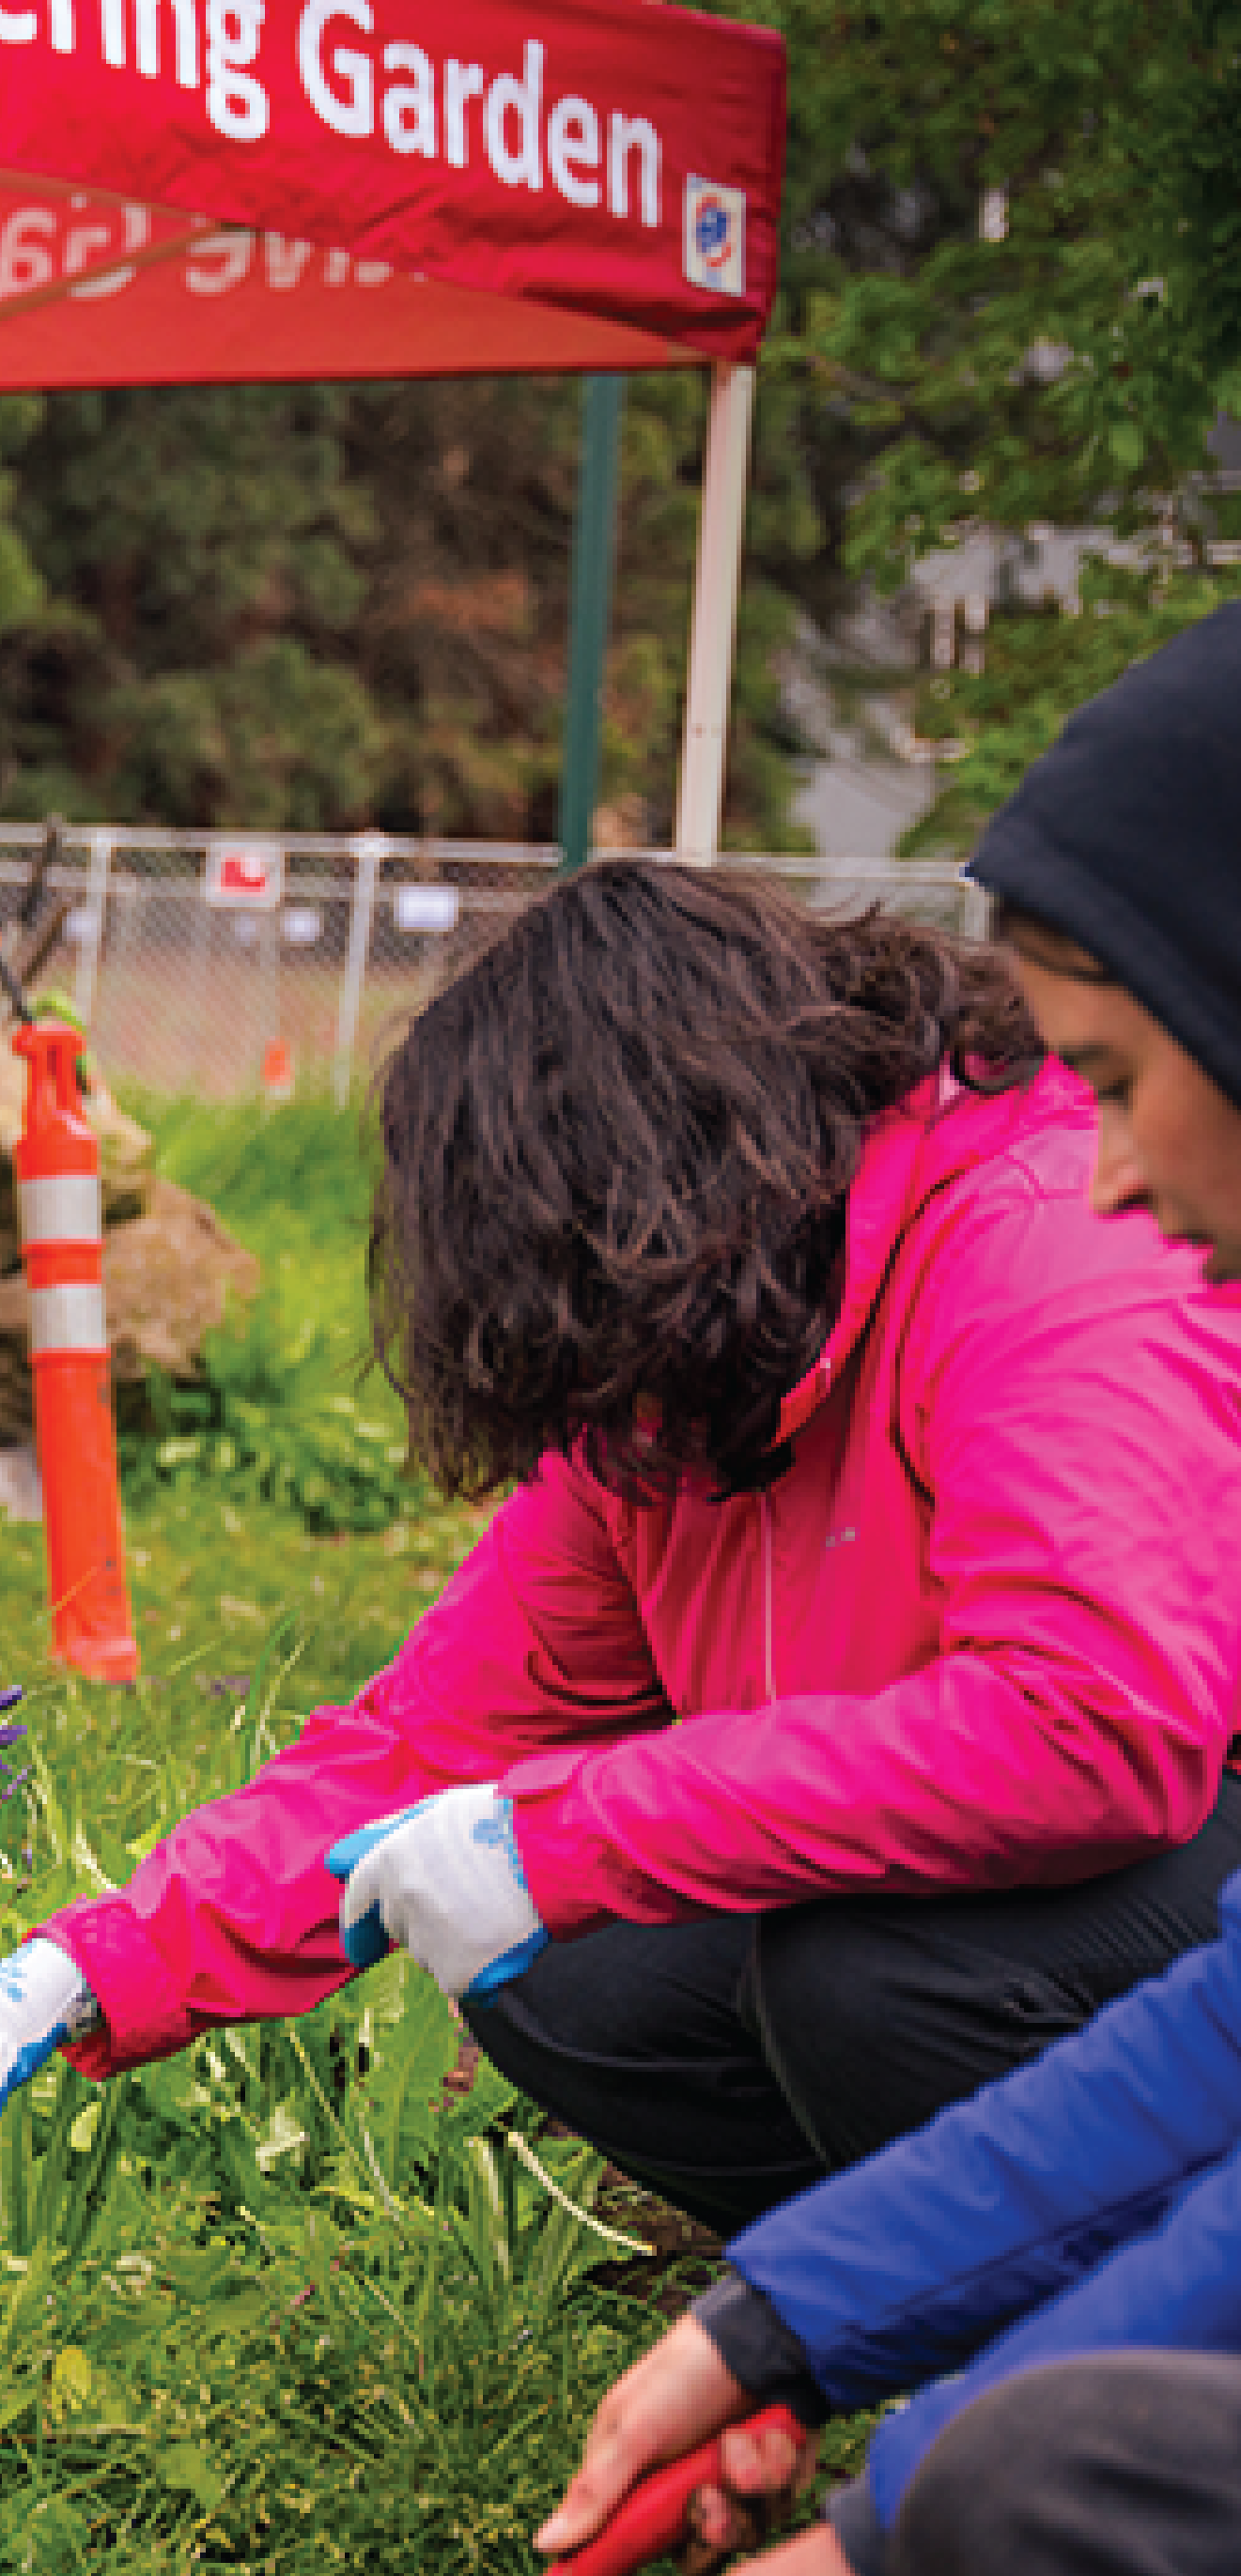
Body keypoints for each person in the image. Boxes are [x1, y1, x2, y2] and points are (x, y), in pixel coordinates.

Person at [0, 854, 1241, 2238]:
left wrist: (575, 1833)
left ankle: (1148, 2368)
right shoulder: (688, 1386)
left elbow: (1090, 1725)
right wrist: (67, 1978)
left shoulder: (1046, 1244)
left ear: (678, 1194)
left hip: (1194, 1839)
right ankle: (887, 2299)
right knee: (559, 1974)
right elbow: (425, 1744)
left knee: (864, 1978)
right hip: (1008, 1887)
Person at [528, 605, 1241, 2576]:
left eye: (1112, 1076)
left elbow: (1093, 1734)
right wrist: (785, 2323)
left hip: (1127, 1849)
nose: (1097, 1172)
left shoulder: (1033, 1264)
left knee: (1040, 2485)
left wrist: (911, 2499)